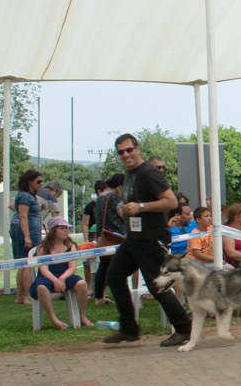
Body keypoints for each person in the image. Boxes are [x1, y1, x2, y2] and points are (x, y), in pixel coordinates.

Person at [103, 133, 192, 346]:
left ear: (137, 149)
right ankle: (129, 329)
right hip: (134, 239)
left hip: (152, 239)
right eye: (121, 152)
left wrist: (141, 207)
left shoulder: (149, 172)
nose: (126, 155)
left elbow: (171, 202)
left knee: (157, 286)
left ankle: (184, 329)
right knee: (114, 276)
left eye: (129, 150)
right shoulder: (130, 173)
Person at [29, 217, 94, 329]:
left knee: (82, 284)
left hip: (65, 276)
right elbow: (44, 269)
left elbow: (72, 268)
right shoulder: (42, 248)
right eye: (62, 228)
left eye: (66, 228)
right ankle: (55, 320)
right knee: (41, 288)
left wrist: (62, 278)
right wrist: (55, 280)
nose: (65, 231)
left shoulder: (71, 246)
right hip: (47, 277)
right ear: (53, 231)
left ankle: (82, 317)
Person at [10, 170, 44, 306]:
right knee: (29, 264)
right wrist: (27, 237)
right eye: (38, 181)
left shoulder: (29, 196)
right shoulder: (25, 196)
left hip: (30, 232)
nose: (41, 184)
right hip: (29, 233)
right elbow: (23, 217)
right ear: (29, 181)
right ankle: (29, 296)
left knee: (23, 264)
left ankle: (20, 296)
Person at [91, 174, 125, 305]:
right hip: (114, 235)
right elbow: (122, 215)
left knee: (103, 266)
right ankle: (117, 294)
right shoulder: (113, 197)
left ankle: (99, 296)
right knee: (118, 266)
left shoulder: (100, 197)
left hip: (103, 235)